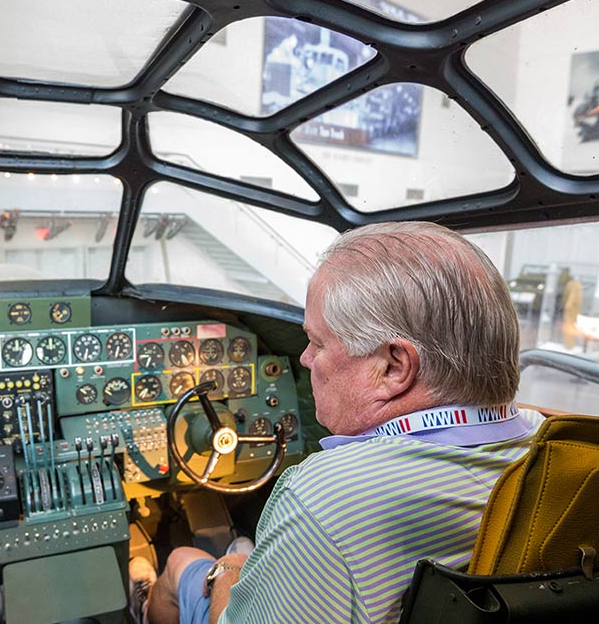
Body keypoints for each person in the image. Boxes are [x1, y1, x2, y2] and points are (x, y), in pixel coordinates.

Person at [133, 222, 546, 623]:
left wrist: (229, 571)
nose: (304, 359)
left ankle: (145, 592)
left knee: (185, 561)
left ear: (393, 367)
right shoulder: (549, 443)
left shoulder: (323, 499)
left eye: (318, 342)